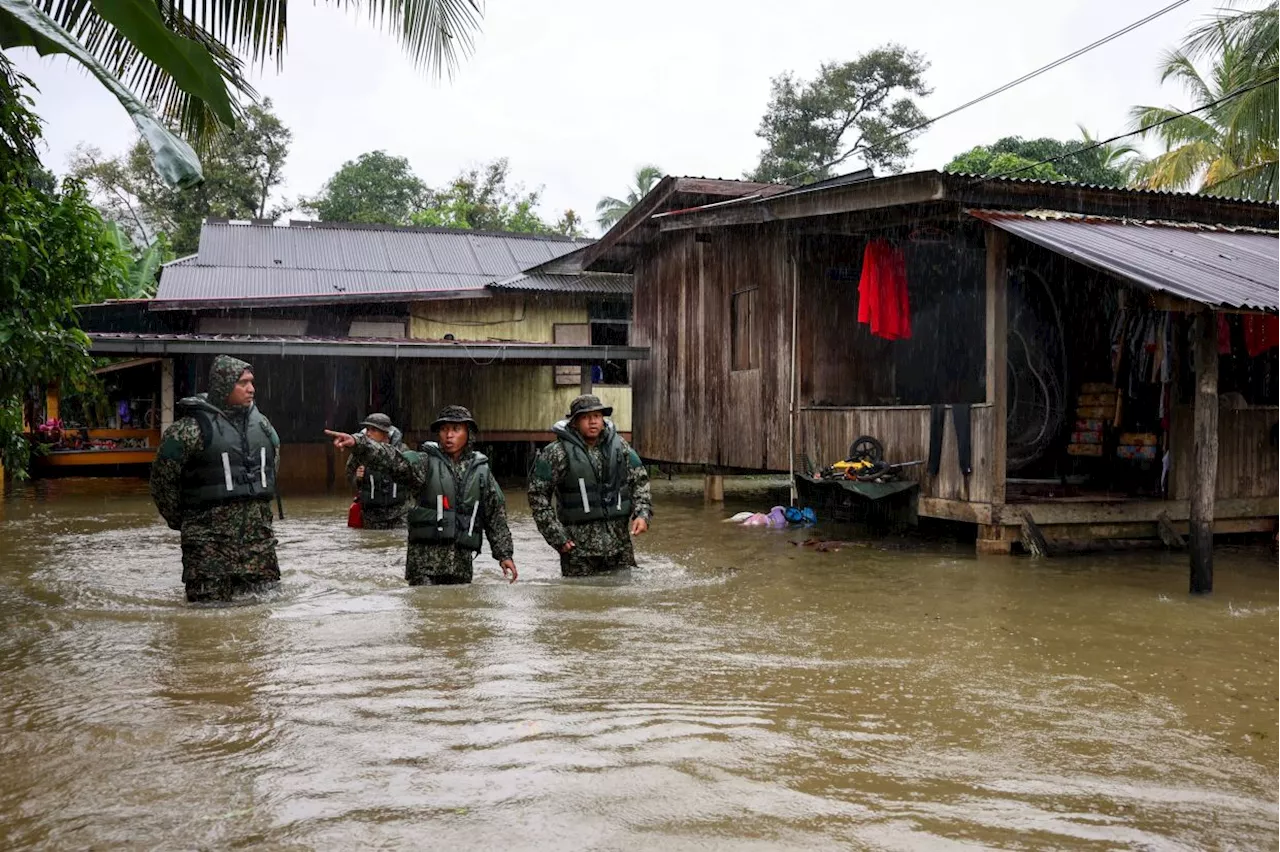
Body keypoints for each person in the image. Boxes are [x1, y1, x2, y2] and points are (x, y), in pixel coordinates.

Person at [325, 405, 518, 585]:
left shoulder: (481, 472)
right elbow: (392, 458)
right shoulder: (423, 463)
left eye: (456, 429)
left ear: (468, 433)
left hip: (461, 568)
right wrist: (359, 443)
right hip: (423, 569)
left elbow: (495, 516)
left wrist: (504, 555)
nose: (449, 435)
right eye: (444, 430)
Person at [150, 355, 281, 602]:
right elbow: (162, 482)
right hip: (208, 546)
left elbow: (272, 467)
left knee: (262, 613)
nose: (251, 389)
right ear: (223, 385)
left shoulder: (262, 425)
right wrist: (187, 522)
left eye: (251, 382)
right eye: (242, 383)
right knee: (207, 617)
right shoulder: (189, 429)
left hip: (258, 543)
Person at [528, 394, 652, 576]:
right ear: (574, 422)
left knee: (623, 600)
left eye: (597, 416)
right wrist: (557, 536)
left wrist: (642, 514)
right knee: (581, 599)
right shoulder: (556, 453)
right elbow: (537, 496)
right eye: (586, 417)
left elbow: (640, 482)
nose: (592, 422)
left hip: (619, 546)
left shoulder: (621, 448)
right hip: (578, 551)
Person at [345, 412, 409, 529]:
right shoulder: (359, 454)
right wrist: (358, 478)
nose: (368, 434)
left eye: (374, 430)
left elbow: (412, 479)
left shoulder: (402, 452)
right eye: (367, 429)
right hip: (371, 517)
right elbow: (351, 479)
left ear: (385, 433)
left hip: (399, 516)